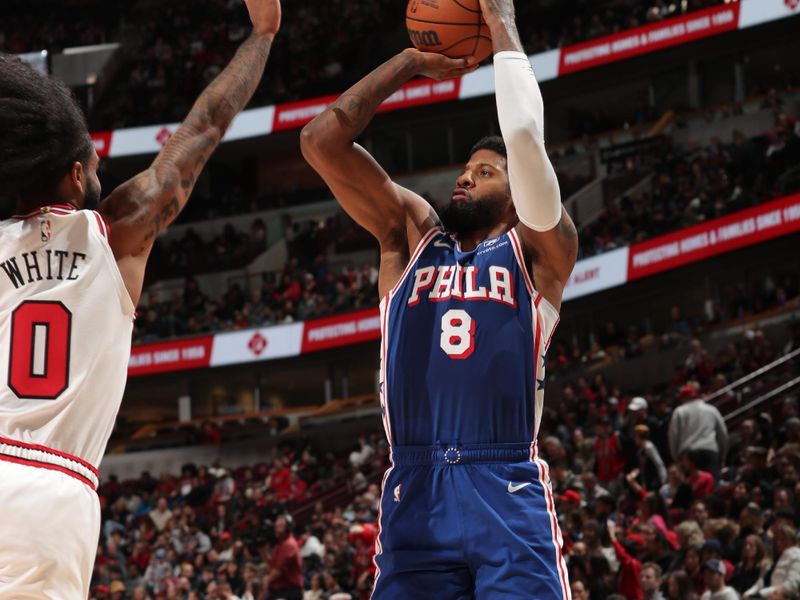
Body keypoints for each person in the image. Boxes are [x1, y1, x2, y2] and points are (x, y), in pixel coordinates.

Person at [0, 0, 281, 596]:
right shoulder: (117, 232)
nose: (100, 164)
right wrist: (263, 35)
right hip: (54, 488)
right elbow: (204, 126)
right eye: (93, 158)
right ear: (75, 177)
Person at [301, 0, 578, 595]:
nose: (465, 178)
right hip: (416, 488)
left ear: (515, 192)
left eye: (485, 172)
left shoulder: (539, 250)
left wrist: (501, 23)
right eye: (466, 168)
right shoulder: (410, 237)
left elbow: (526, 137)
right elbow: (321, 142)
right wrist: (405, 64)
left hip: (505, 481)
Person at [669, 385, 728, 480]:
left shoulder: (679, 411)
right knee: (713, 487)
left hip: (688, 453)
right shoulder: (711, 409)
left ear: (684, 398)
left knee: (693, 490)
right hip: (710, 450)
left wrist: (676, 457)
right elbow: (723, 433)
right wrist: (722, 456)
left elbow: (673, 435)